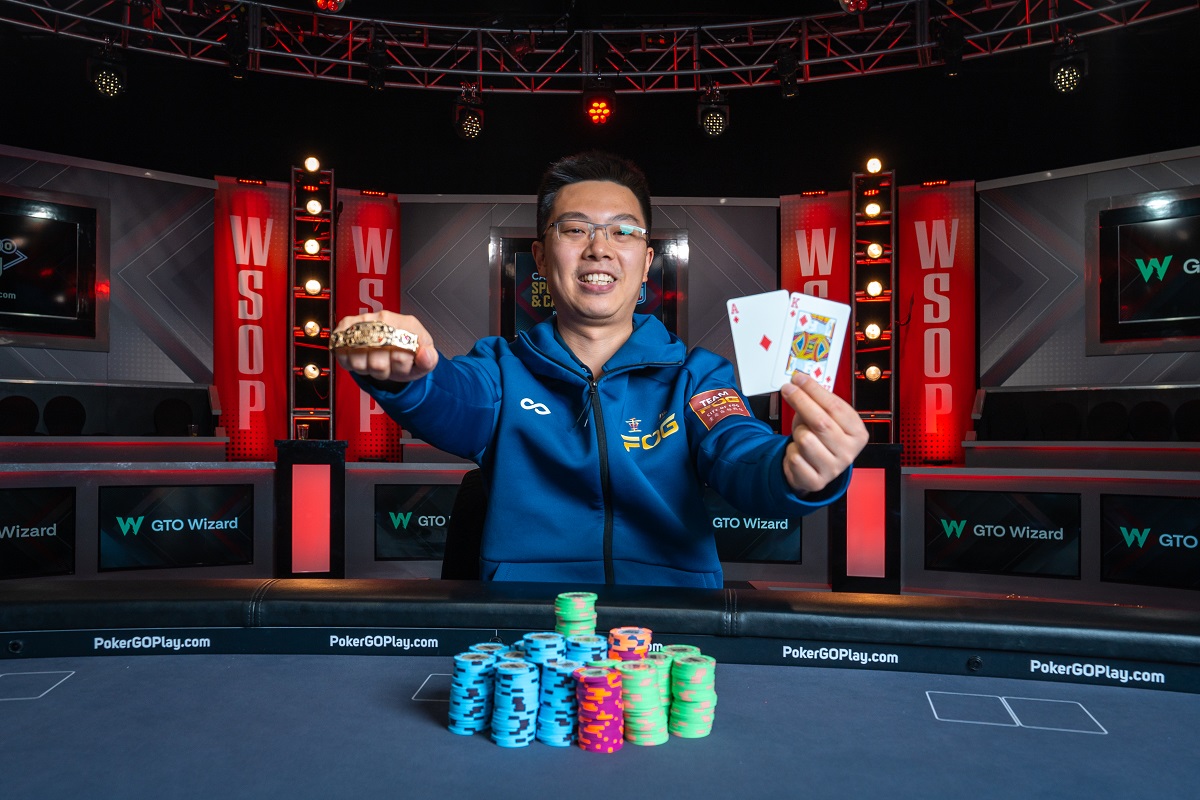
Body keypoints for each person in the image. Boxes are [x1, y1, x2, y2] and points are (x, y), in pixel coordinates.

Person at [333, 151, 868, 587]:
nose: (599, 249)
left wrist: (792, 469)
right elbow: (451, 398)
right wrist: (407, 375)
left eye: (623, 232)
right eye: (575, 229)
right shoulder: (499, 370)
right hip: (531, 628)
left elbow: (738, 447)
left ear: (647, 260)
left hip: (668, 629)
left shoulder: (697, 377)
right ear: (542, 258)